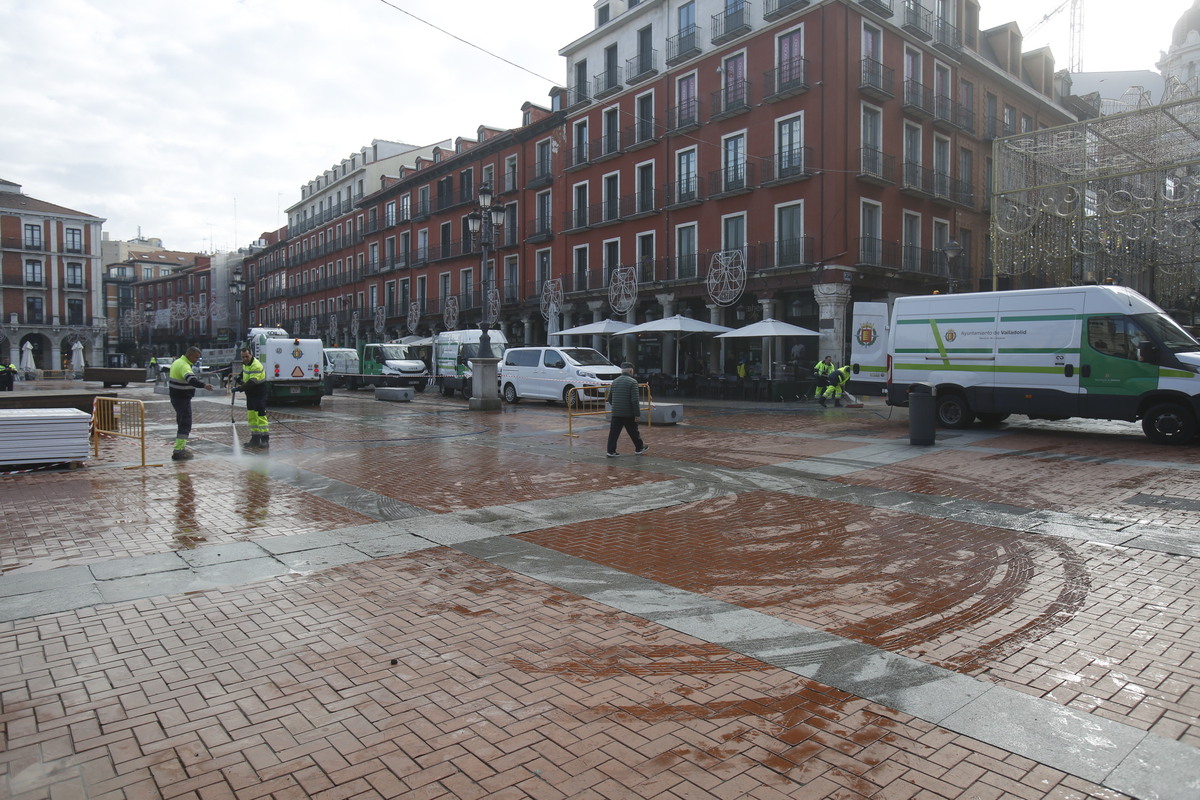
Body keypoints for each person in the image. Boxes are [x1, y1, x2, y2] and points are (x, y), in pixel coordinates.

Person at [168, 347, 213, 461]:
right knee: (185, 424)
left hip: (176, 398)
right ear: (190, 355)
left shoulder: (177, 362)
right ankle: (179, 451)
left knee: (181, 422)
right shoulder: (184, 366)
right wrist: (204, 385)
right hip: (182, 399)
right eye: (196, 357)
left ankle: (180, 448)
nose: (197, 360)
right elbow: (191, 380)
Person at [606, 362, 649, 458]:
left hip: (616, 412)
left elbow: (609, 398)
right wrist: (637, 414)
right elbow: (634, 400)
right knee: (633, 431)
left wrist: (616, 406)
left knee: (614, 433)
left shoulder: (615, 381)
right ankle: (639, 447)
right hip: (628, 413)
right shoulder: (632, 382)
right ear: (631, 371)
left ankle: (610, 451)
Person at [233, 347, 269, 450]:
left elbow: (252, 382)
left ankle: (265, 439)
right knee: (252, 416)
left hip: (259, 393)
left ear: (251, 355)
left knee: (261, 417)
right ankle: (255, 439)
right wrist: (239, 377)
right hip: (250, 394)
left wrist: (239, 388)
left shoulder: (256, 365)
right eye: (243, 357)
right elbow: (245, 372)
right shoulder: (246, 364)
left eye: (246, 357)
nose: (245, 359)